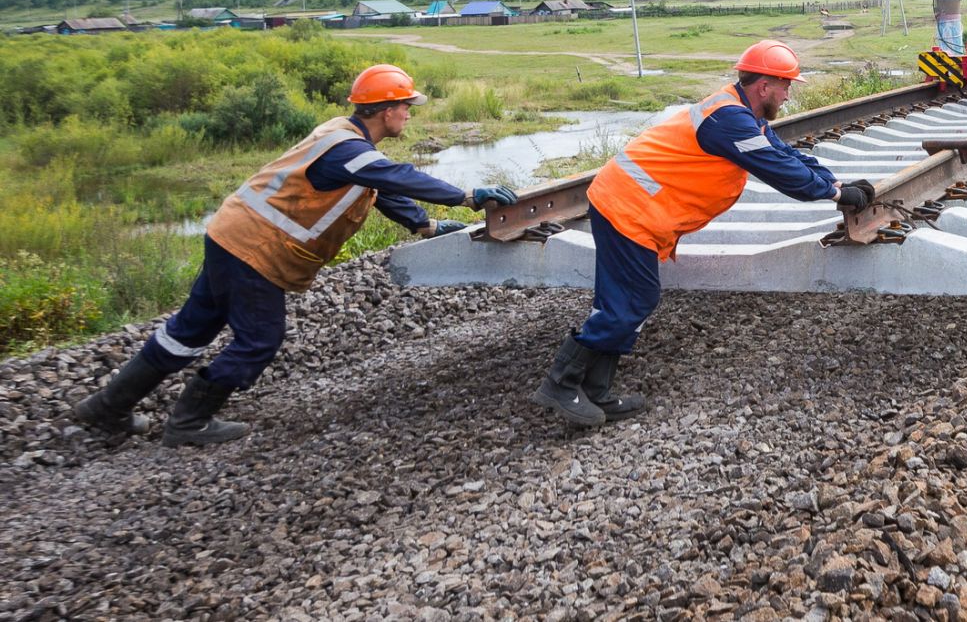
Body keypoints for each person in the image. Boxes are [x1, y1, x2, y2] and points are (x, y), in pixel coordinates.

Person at [70, 64, 514, 447]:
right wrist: (467, 196)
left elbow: (378, 188)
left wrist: (427, 226)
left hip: (230, 236)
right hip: (255, 249)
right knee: (259, 339)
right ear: (385, 110)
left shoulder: (344, 139)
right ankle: (189, 421)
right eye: (406, 106)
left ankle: (107, 406)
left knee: (190, 328)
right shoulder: (351, 150)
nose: (408, 114)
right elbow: (397, 176)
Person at [531, 40, 873, 427]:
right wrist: (835, 194)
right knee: (635, 299)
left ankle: (598, 390)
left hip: (634, 208)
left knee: (625, 301)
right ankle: (561, 382)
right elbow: (782, 174)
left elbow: (786, 155)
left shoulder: (743, 114)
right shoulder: (729, 121)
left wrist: (838, 181)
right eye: (786, 85)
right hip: (628, 207)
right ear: (764, 86)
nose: (789, 93)